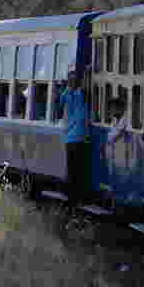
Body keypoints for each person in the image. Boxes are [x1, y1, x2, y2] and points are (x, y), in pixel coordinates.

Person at [58, 70, 90, 202]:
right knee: (78, 169)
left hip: (69, 137)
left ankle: (71, 195)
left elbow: (60, 104)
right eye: (73, 80)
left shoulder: (66, 94)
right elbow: (85, 88)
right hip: (78, 137)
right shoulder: (79, 94)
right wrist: (87, 74)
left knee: (72, 168)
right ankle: (77, 195)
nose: (73, 82)